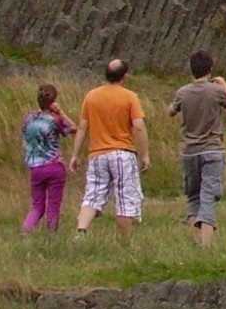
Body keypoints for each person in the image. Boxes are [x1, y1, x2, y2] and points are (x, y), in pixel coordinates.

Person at [69, 58, 149, 240]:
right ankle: (125, 240)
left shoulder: (92, 96)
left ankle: (81, 231)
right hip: (123, 153)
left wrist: (75, 154)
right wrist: (144, 154)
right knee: (124, 198)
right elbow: (138, 126)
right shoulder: (129, 97)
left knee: (93, 194)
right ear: (124, 76)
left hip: (97, 154)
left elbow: (83, 127)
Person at [169, 50, 226, 246]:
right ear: (210, 69)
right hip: (212, 149)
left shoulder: (182, 92)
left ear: (191, 70)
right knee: (209, 196)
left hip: (189, 150)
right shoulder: (216, 91)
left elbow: (170, 111)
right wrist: (224, 84)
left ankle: (196, 240)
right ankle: (206, 245)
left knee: (193, 196)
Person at [19, 83, 75, 235]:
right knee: (53, 204)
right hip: (54, 166)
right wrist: (61, 112)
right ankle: (51, 235)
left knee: (38, 206)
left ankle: (26, 230)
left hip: (36, 168)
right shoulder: (55, 119)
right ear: (53, 101)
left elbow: (24, 137)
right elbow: (74, 128)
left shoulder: (28, 118)